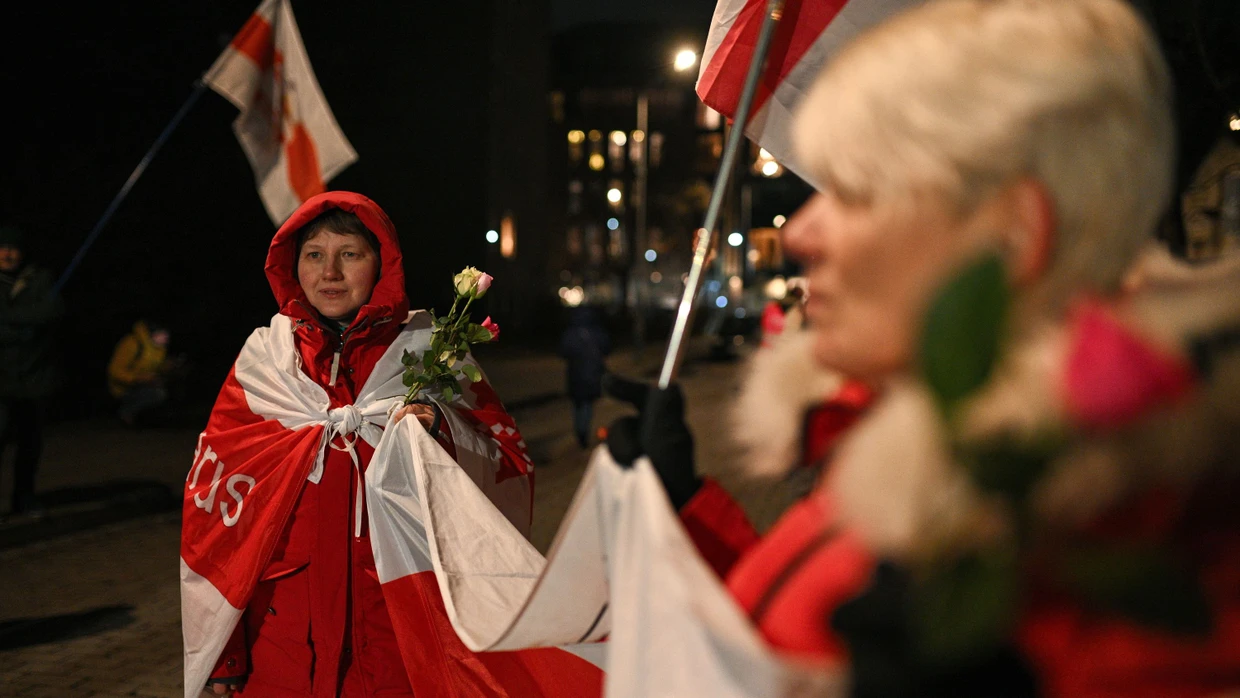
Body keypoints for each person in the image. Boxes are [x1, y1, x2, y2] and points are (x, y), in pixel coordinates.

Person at [605, 1, 1240, 695]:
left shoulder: (1114, 575)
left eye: (855, 191)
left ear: (1012, 238)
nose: (798, 235)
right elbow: (763, 651)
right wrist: (683, 518)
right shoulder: (900, 451)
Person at [184, 192, 599, 698]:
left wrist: (441, 429)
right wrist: (224, 653)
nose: (330, 272)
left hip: (399, 645)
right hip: (281, 649)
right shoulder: (264, 364)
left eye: (349, 254)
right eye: (314, 254)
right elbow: (215, 516)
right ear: (293, 267)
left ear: (382, 263)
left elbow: (508, 463)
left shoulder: (432, 353)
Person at [0, 224, 64, 517]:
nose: (7, 254)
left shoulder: (40, 278)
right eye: (3, 248)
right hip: (2, 380)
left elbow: (51, 313)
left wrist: (10, 320)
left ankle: (24, 498)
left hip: (34, 378)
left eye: (13, 249)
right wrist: (25, 327)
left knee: (30, 444)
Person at [558, 305, 611, 448]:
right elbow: (607, 348)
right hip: (593, 374)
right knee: (587, 404)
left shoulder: (571, 333)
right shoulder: (597, 332)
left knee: (577, 404)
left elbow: (563, 351)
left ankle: (580, 431)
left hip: (575, 374)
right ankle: (583, 432)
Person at [107, 319, 176, 425]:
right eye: (163, 334)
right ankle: (125, 413)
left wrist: (168, 366)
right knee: (157, 393)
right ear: (152, 333)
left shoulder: (159, 347)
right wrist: (139, 379)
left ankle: (148, 419)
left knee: (171, 385)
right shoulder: (133, 343)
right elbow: (114, 371)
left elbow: (154, 366)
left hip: (143, 383)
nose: (166, 338)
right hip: (122, 387)